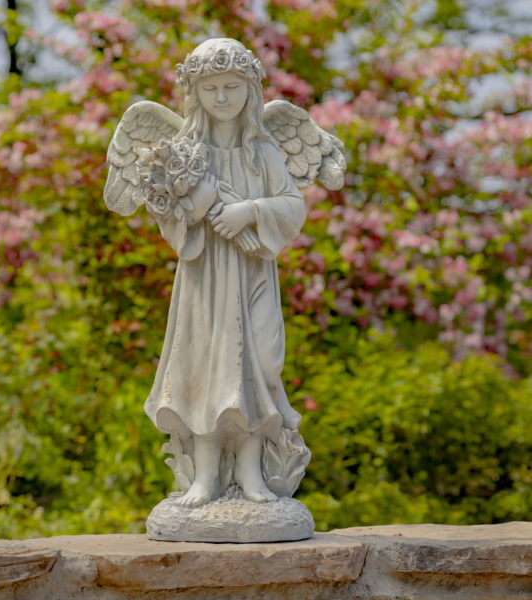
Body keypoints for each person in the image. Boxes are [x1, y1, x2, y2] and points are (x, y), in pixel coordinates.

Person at [144, 38, 308, 507]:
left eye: (232, 86)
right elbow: (170, 214)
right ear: (194, 92)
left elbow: (293, 206)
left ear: (250, 90)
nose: (221, 97)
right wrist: (195, 209)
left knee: (259, 363)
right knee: (206, 366)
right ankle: (208, 476)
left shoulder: (264, 153)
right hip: (204, 280)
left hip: (252, 274)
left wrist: (250, 211)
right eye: (211, 88)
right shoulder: (183, 152)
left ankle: (252, 472)